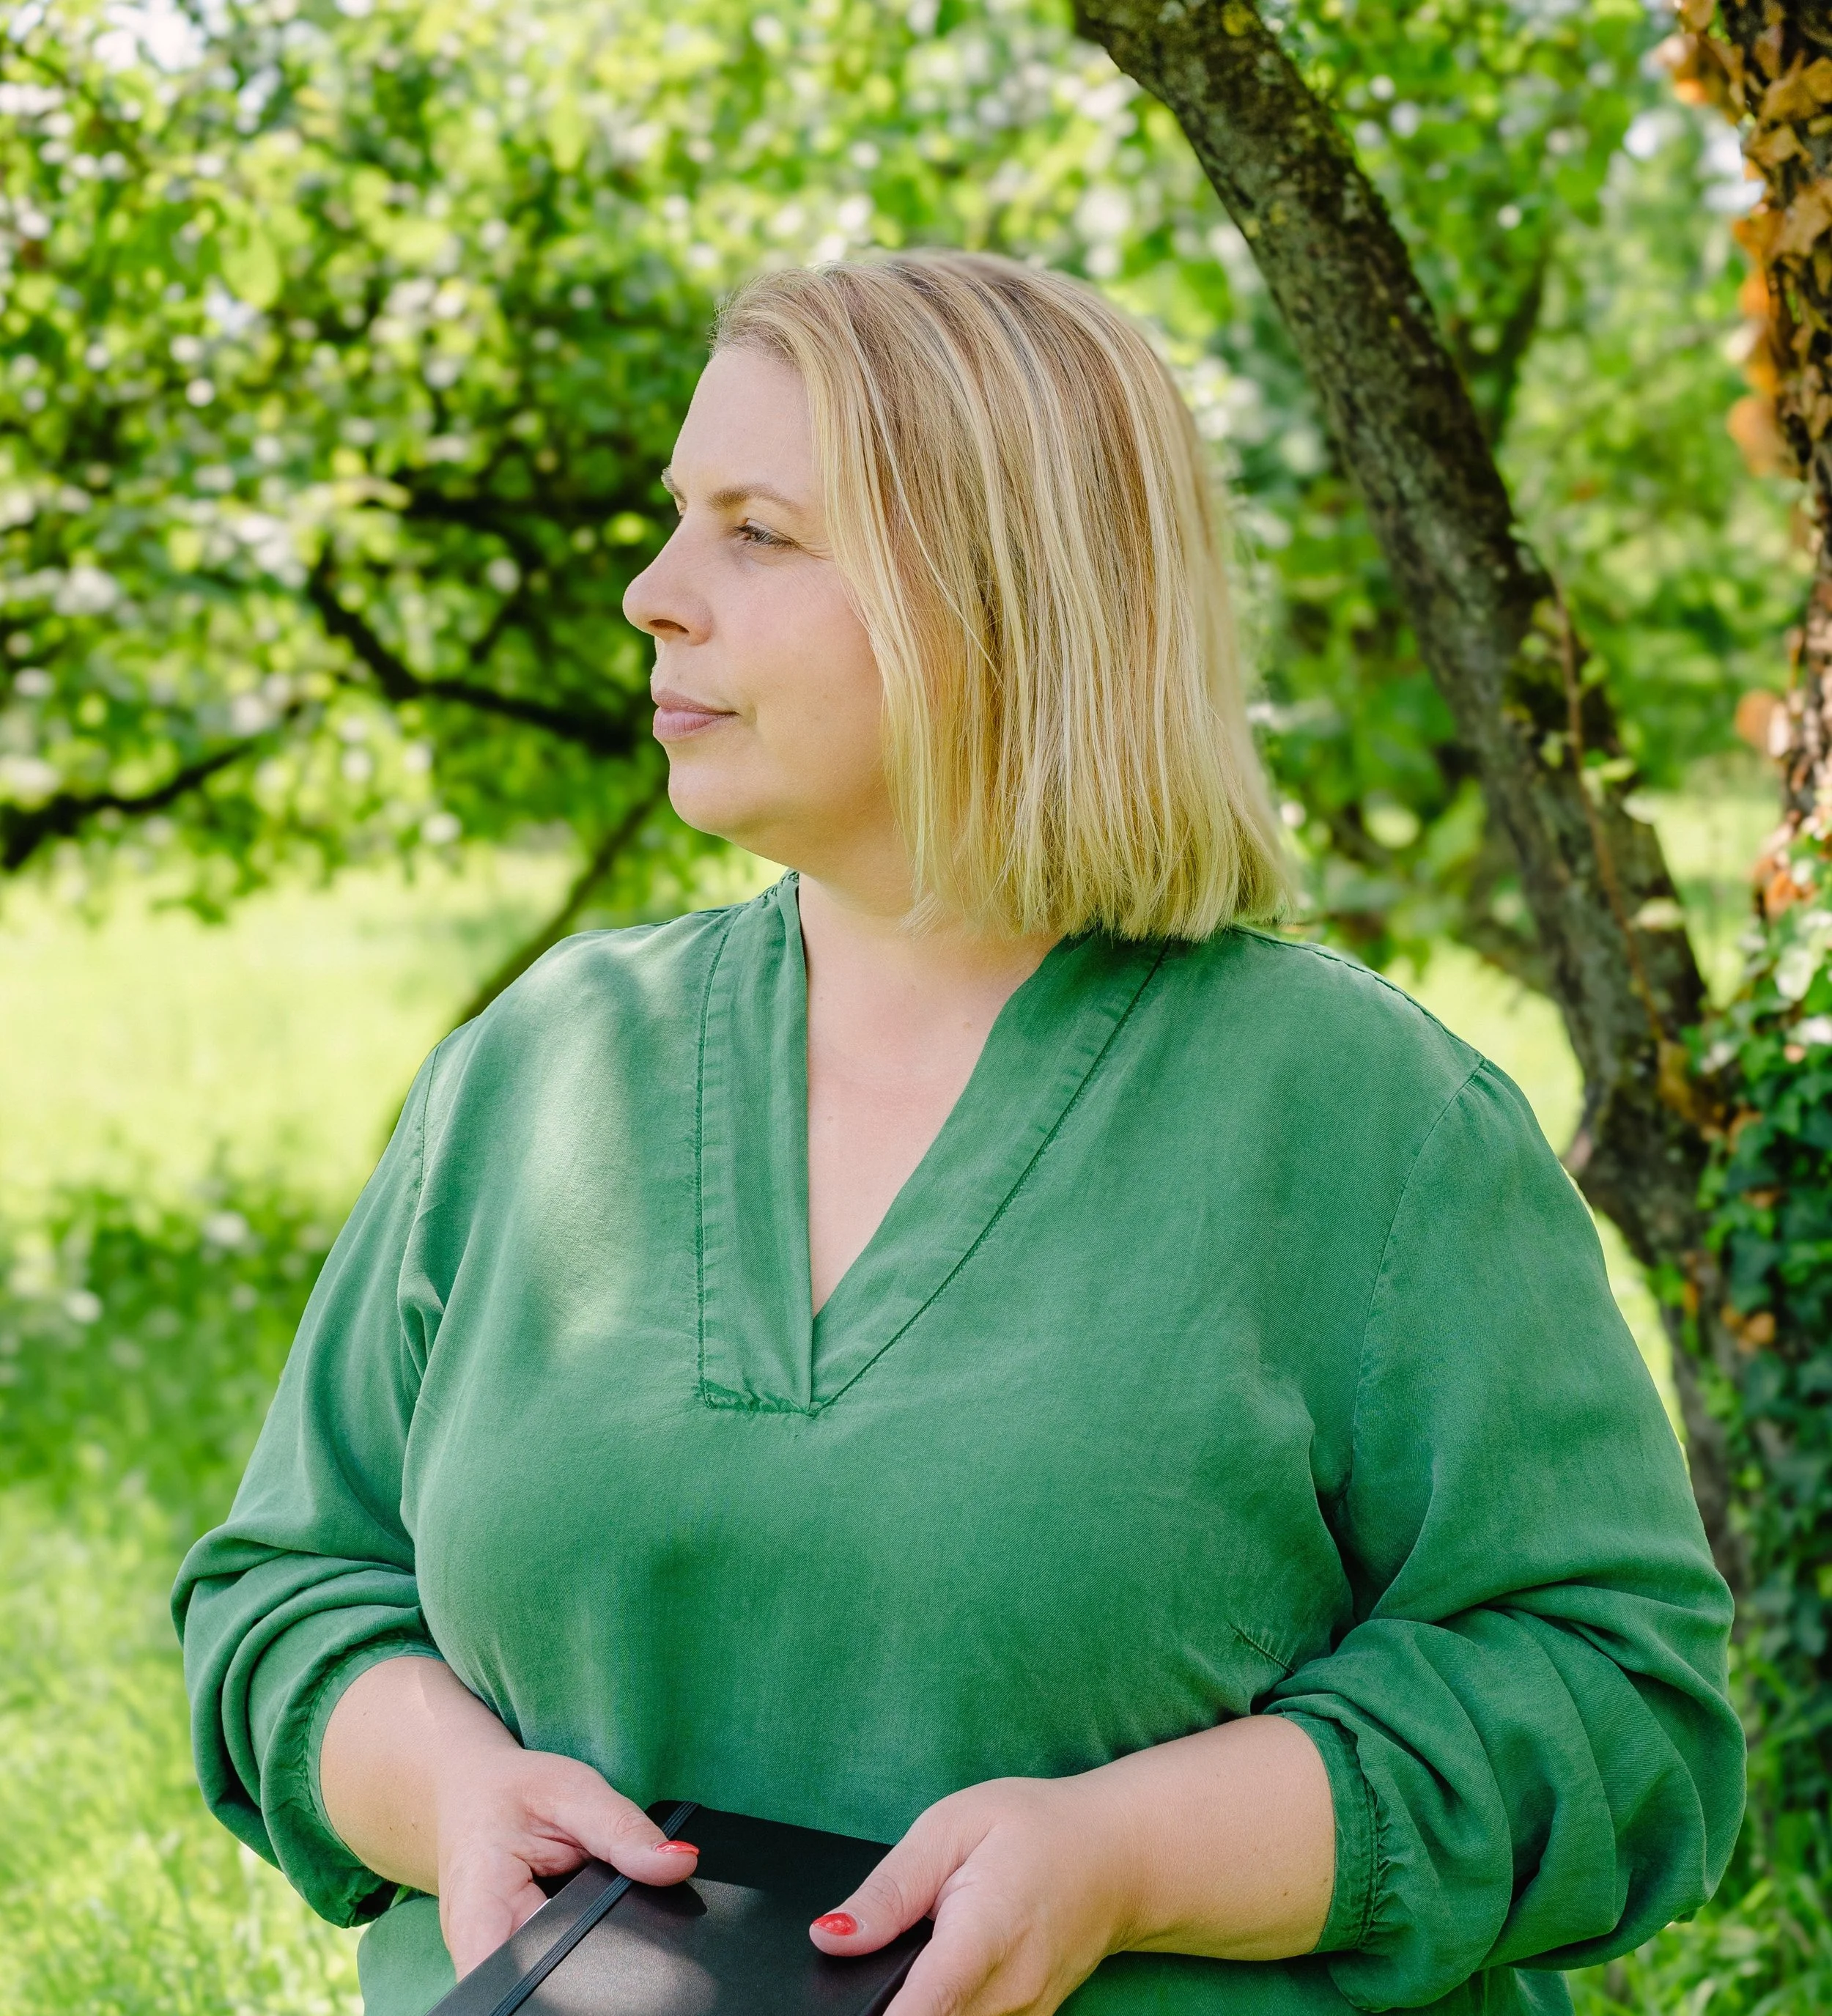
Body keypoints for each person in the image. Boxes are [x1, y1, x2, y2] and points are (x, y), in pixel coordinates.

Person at [174, 252, 1743, 2016]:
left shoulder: (1364, 1127)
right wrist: (445, 1791)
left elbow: (1621, 1714)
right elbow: (287, 1592)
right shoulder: (541, 1069)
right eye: (674, 520)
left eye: (754, 532)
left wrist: (1133, 1854)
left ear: (991, 597)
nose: (650, 594)